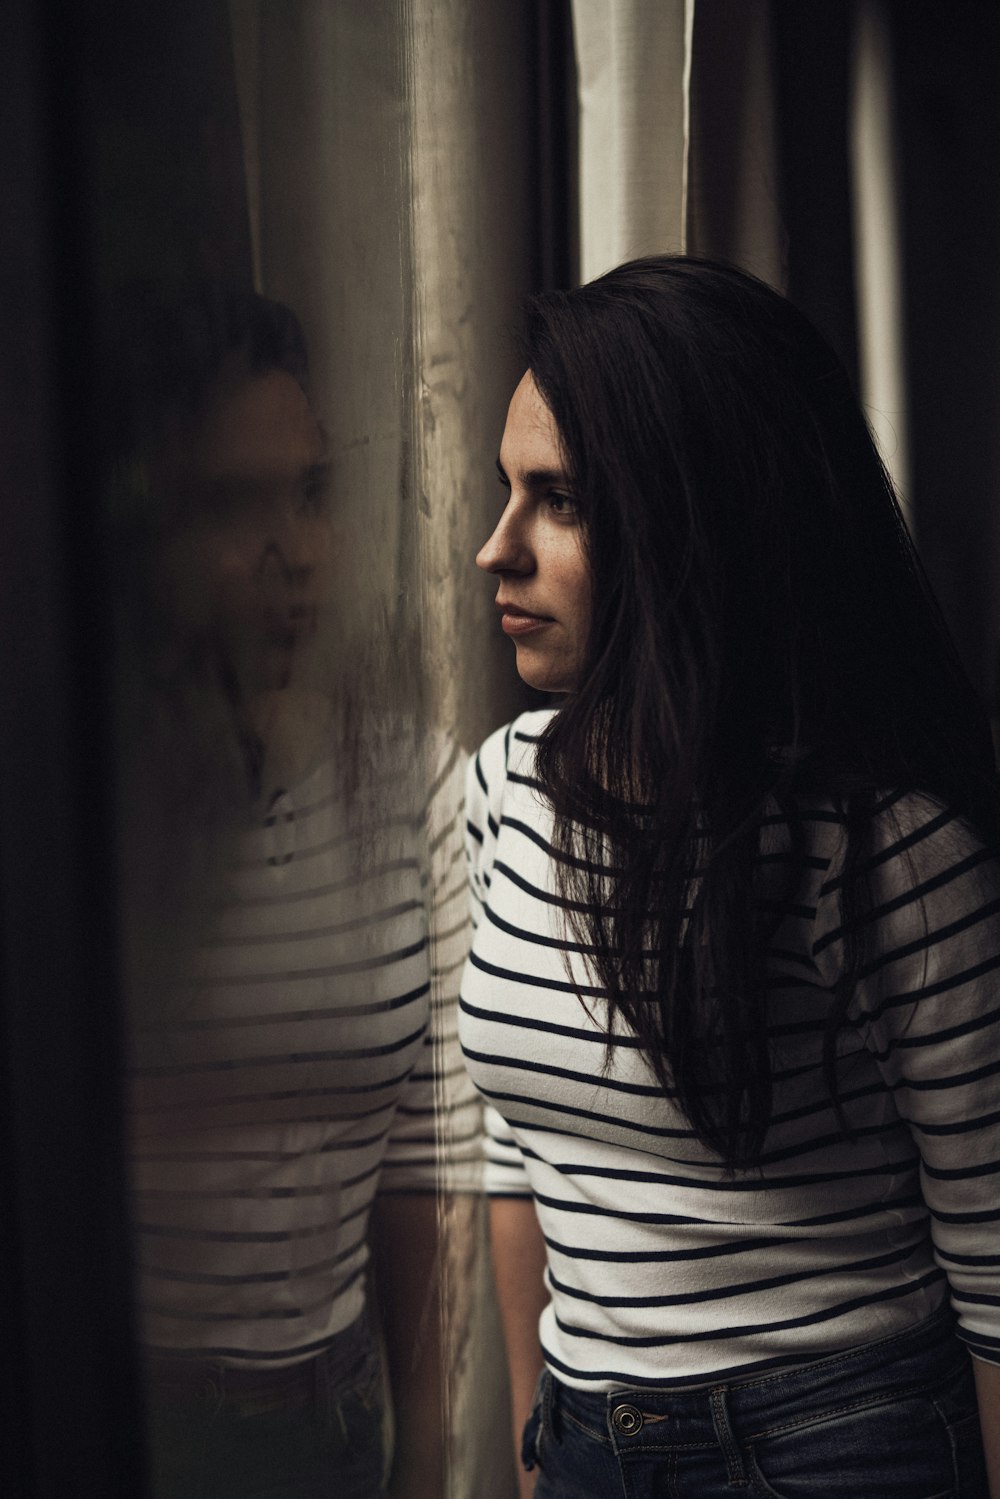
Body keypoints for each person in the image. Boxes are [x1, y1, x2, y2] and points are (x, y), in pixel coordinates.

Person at [461, 255, 1000, 1498]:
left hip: (837, 1440)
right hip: (587, 1436)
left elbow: (992, 1260)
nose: (496, 548)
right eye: (506, 492)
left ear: (689, 524)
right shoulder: (499, 787)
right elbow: (514, 1152)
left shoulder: (882, 845)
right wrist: (534, 1443)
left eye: (560, 501)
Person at [106, 285, 476, 1499]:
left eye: (310, 492)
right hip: (133, 1420)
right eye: (235, 502)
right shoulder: (89, 815)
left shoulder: (405, 782)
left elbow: (433, 1162)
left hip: (331, 1420)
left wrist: (423, 1454)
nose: (294, 551)